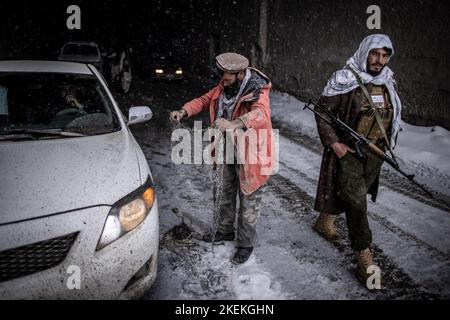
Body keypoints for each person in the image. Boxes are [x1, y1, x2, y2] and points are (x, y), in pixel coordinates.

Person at [313, 34, 402, 285]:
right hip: (350, 151)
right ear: (365, 52)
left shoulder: (388, 80)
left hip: (376, 153)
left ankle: (324, 220)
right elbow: (322, 112)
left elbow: (391, 112)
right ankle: (365, 257)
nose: (380, 60)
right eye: (375, 54)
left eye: (385, 55)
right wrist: (335, 143)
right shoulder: (344, 79)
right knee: (356, 201)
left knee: (354, 193)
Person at [170, 52, 274, 264]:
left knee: (249, 198)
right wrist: (183, 111)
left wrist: (233, 123)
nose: (222, 80)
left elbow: (261, 114)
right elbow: (205, 99)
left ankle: (245, 244)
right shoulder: (225, 85)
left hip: (250, 152)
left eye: (226, 76)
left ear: (240, 74)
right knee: (223, 190)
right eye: (222, 75)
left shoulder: (257, 89)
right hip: (226, 147)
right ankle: (224, 231)